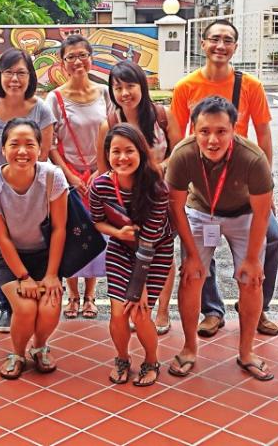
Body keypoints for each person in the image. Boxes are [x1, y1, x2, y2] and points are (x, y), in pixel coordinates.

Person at [170, 19, 278, 338]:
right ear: (203, 44)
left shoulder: (250, 86)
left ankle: (257, 307)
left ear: (235, 47)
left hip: (243, 182)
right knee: (200, 248)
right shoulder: (185, 88)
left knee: (273, 238)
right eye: (215, 39)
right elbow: (178, 138)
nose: (221, 46)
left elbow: (263, 134)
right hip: (202, 187)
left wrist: (266, 187)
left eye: (228, 40)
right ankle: (212, 310)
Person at [165, 96, 274, 381]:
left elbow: (263, 214)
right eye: (204, 132)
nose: (212, 140)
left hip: (244, 216)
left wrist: (252, 260)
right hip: (202, 212)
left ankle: (247, 351)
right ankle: (189, 348)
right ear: (194, 130)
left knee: (251, 281)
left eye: (221, 131)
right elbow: (175, 206)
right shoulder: (183, 153)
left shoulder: (253, 158)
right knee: (191, 277)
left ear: (233, 129)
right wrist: (190, 255)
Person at [96, 60, 182, 335]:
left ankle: (162, 309)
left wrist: (159, 168)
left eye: (130, 86)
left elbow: (179, 154)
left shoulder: (162, 115)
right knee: (132, 250)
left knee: (163, 252)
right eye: (117, 87)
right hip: (126, 202)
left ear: (142, 86)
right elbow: (103, 168)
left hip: (161, 197)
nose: (124, 93)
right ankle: (136, 303)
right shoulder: (108, 123)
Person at [0, 119, 67, 379]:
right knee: (27, 308)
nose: (22, 151)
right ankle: (17, 353)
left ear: (40, 149)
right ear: (3, 149)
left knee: (50, 305)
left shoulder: (53, 176)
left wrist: (51, 274)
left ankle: (39, 347)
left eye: (30, 144)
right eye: (14, 144)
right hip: (8, 255)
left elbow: (59, 229)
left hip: (43, 253)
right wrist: (24, 277)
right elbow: (1, 237)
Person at [90, 124, 173, 387]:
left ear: (141, 152)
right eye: (116, 151)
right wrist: (118, 232)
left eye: (129, 151)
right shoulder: (100, 185)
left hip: (155, 251)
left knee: (140, 311)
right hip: (121, 247)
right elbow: (96, 221)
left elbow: (149, 241)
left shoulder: (157, 188)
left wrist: (140, 287)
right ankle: (122, 358)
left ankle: (151, 360)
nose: (122, 157)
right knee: (118, 312)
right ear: (107, 154)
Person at [0, 49, 56, 333]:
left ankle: (36, 293)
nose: (15, 79)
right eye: (9, 72)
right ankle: (6, 307)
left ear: (30, 77)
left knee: (32, 239)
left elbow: (44, 153)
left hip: (33, 187)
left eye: (21, 73)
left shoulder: (41, 109)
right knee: (2, 242)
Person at [46, 34, 108, 320]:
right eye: (71, 56)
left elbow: (111, 137)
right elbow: (51, 144)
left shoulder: (104, 93)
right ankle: (72, 294)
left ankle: (91, 295)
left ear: (91, 58)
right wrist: (69, 175)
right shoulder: (55, 97)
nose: (78, 61)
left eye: (83, 54)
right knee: (72, 232)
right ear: (63, 63)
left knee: (95, 230)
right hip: (68, 176)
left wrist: (100, 171)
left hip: (99, 174)